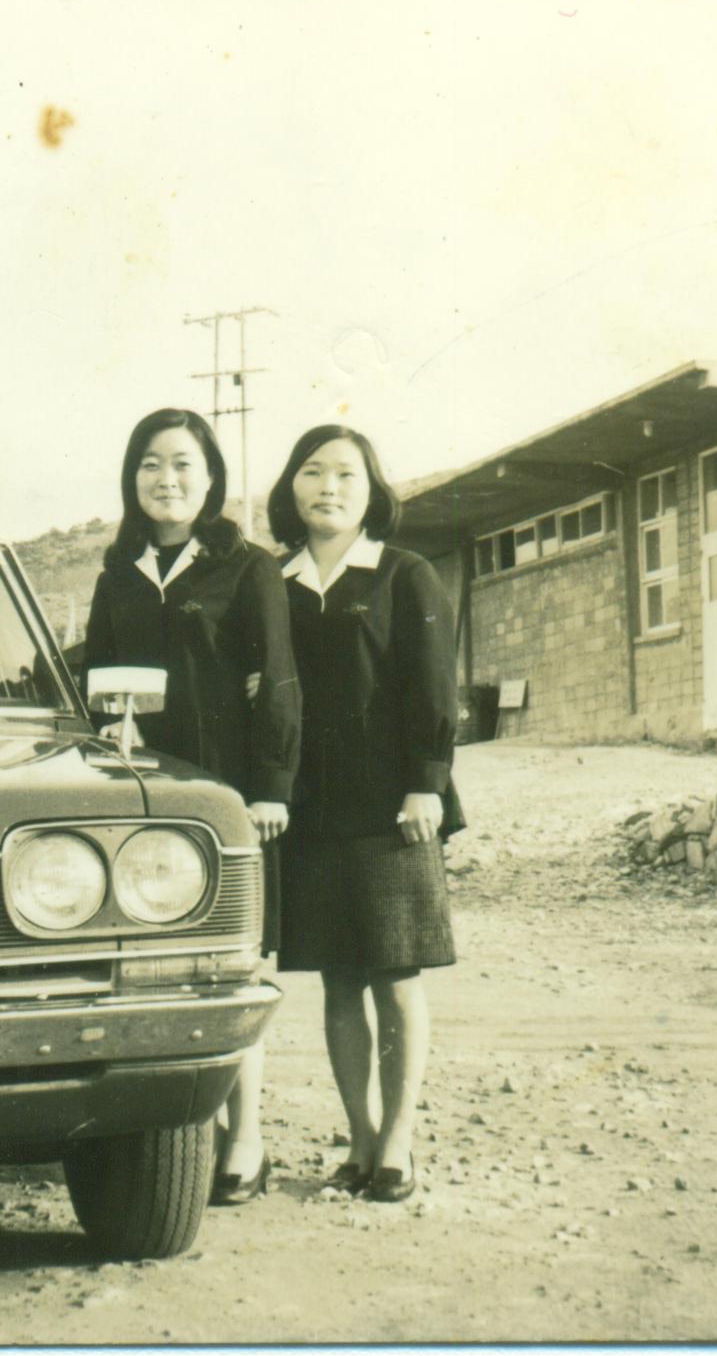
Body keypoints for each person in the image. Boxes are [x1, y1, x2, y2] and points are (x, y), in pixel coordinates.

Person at [83, 407, 299, 1206]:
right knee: (150, 968)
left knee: (229, 967)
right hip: (139, 802)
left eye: (182, 464)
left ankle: (245, 1140)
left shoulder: (248, 569)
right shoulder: (118, 572)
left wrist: (270, 789)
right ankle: (163, 1138)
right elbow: (96, 680)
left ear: (210, 479)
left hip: (226, 798)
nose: (165, 479)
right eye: (150, 463)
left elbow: (278, 681)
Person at [266, 423, 461, 1204]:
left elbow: (434, 686)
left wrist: (427, 783)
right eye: (313, 472)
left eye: (346, 474)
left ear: (372, 490)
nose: (328, 488)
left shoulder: (404, 575)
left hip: (391, 808)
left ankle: (399, 1140)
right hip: (310, 811)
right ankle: (359, 1135)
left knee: (395, 973)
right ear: (291, 488)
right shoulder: (273, 583)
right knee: (338, 979)